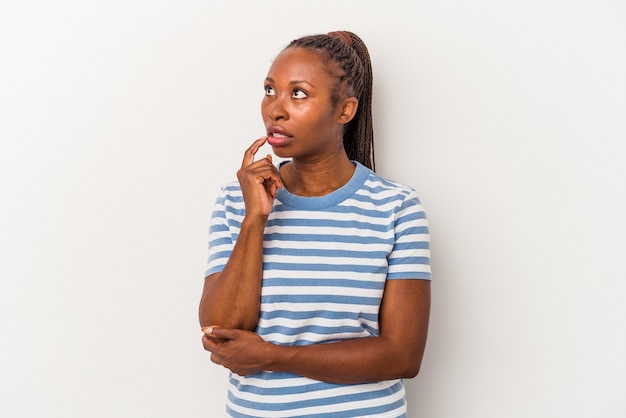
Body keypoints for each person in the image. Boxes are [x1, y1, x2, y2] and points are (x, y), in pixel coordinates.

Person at [199, 30, 431, 417]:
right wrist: (255, 219)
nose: (275, 109)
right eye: (270, 90)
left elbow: (402, 356)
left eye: (299, 93)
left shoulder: (396, 207)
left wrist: (274, 356)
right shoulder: (236, 199)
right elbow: (220, 329)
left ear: (345, 111)